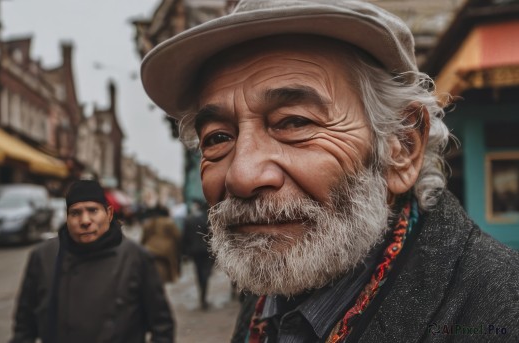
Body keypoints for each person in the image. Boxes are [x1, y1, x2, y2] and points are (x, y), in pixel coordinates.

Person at [140, 0, 519, 341]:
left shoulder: (499, 313)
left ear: (401, 148)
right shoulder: (270, 290)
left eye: (293, 123)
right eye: (218, 137)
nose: (242, 175)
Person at [10, 180, 174, 343]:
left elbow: (162, 325)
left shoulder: (136, 258)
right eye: (75, 213)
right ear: (67, 217)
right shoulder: (44, 257)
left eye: (93, 210)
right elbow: (24, 326)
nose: (85, 221)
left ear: (109, 214)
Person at [182, 199, 214, 310]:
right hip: (206, 250)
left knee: (199, 271)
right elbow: (211, 234)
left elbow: (184, 237)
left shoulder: (188, 219)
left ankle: (202, 292)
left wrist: (185, 253)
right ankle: (203, 295)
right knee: (205, 272)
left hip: (194, 251)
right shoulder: (206, 218)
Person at [141, 205, 181, 284]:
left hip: (149, 250)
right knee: (163, 276)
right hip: (165, 253)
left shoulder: (148, 223)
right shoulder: (169, 223)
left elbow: (143, 239)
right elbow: (177, 237)